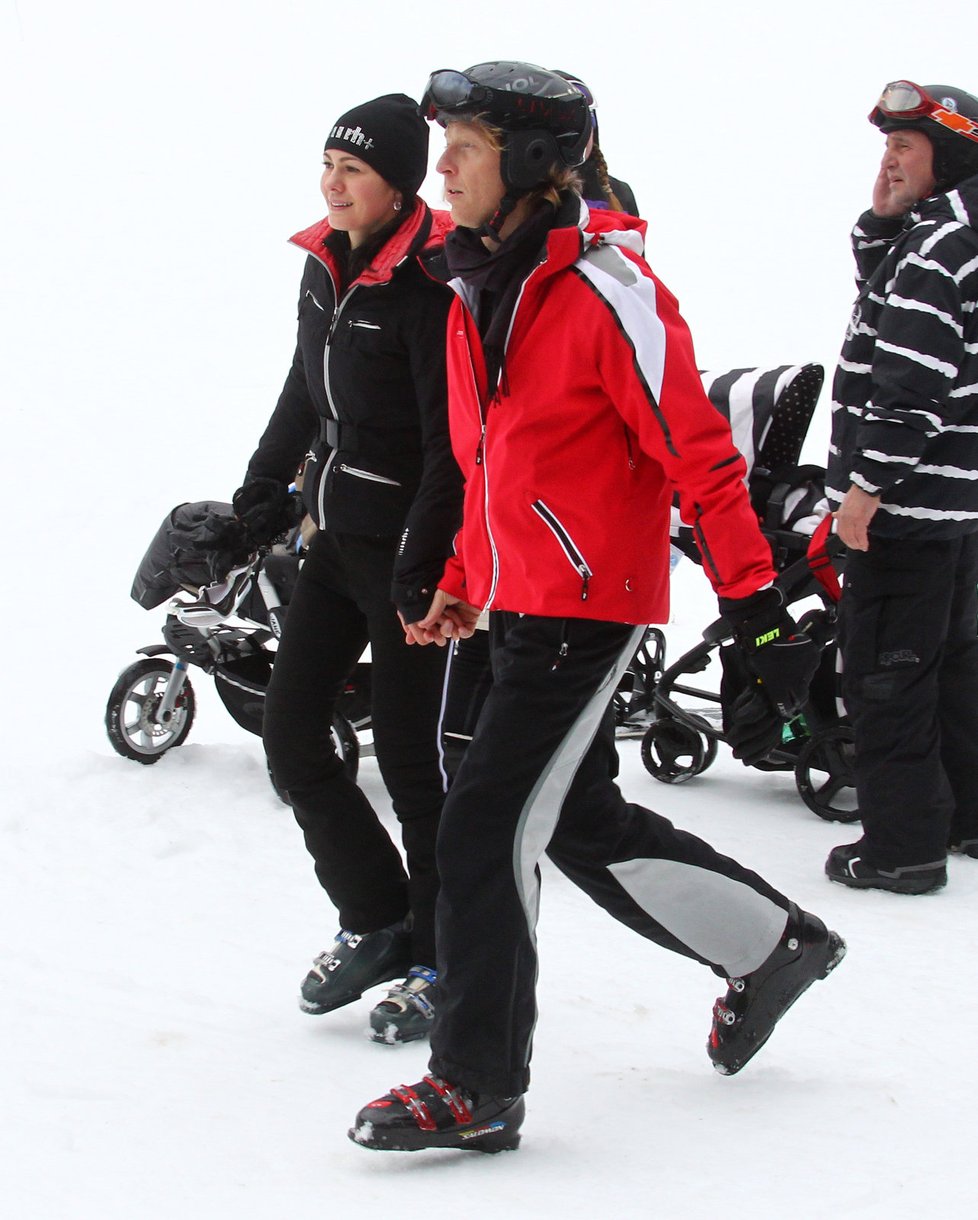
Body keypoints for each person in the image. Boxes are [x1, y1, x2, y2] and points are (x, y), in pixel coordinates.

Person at [348, 61, 845, 1155]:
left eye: (462, 150)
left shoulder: (612, 291)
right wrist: (466, 581)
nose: (442, 172)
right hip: (518, 602)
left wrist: (761, 617)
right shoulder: (480, 282)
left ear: (526, 163)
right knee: (574, 823)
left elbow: (702, 459)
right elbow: (494, 462)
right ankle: (775, 945)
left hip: (589, 609)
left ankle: (476, 1080)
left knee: (485, 824)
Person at [215, 94, 461, 1043]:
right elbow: (303, 380)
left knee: (412, 766)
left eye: (353, 170)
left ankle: (444, 957)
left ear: (399, 184)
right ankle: (381, 917)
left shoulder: (432, 282)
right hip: (334, 543)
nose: (334, 183)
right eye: (327, 164)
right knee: (290, 739)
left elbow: (451, 445)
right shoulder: (325, 264)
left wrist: (429, 560)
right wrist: (264, 481)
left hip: (409, 557)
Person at [824, 81, 978, 895]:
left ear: (950, 156)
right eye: (886, 145)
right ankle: (963, 818)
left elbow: (909, 381)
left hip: (906, 508)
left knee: (886, 676)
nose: (889, 158)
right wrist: (884, 219)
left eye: (906, 147)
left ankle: (904, 850)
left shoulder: (940, 249)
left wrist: (864, 488)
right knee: (951, 666)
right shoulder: (950, 236)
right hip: (954, 505)